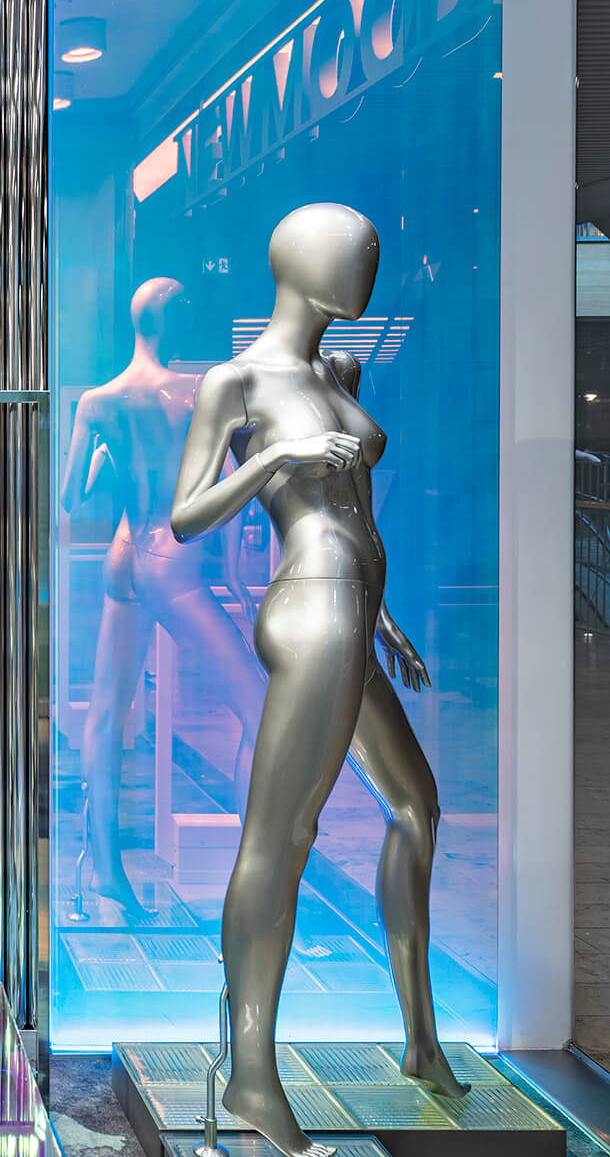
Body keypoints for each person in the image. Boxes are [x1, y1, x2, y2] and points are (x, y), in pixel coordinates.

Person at [170, 203, 463, 1157]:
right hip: (309, 609)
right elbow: (185, 516)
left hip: (354, 611)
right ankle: (254, 1078)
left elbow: (357, 507)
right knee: (281, 835)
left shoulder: (339, 371)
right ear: (298, 262)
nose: (366, 264)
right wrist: (276, 455)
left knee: (417, 806)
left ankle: (422, 1041)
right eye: (351, 252)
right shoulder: (238, 382)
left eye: (369, 251)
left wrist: (383, 616)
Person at [59, 277, 267, 919]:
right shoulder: (199, 392)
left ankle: (106, 874)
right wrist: (236, 575)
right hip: (172, 561)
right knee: (261, 711)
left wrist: (107, 458)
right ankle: (258, 880)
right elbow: (230, 485)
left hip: (124, 553)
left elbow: (71, 498)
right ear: (171, 320)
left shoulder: (98, 401)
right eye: (186, 307)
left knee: (106, 713)